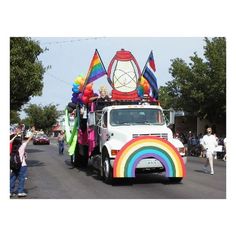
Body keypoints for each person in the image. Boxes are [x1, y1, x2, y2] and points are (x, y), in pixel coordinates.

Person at [10, 127, 36, 197]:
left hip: (13, 164)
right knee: (21, 178)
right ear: (20, 141)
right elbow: (29, 139)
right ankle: (20, 191)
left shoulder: (12, 148)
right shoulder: (22, 146)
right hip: (22, 165)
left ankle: (10, 191)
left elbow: (10, 140)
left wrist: (16, 134)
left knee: (13, 178)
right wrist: (33, 132)